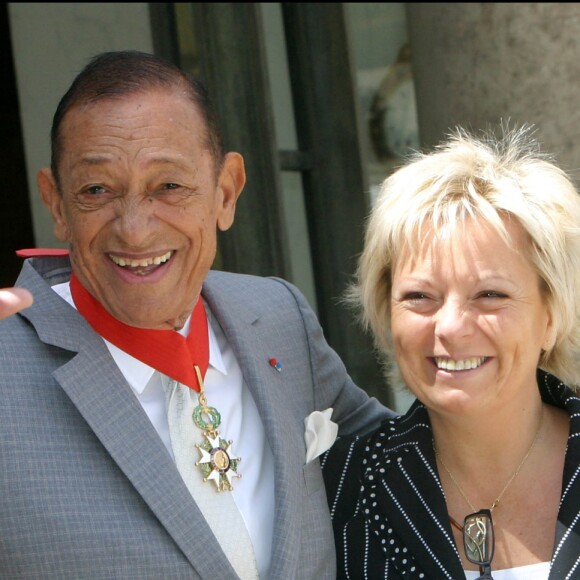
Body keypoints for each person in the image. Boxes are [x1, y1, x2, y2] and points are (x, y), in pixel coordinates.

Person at [0, 50, 393, 579]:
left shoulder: (278, 317)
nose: (135, 229)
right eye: (97, 190)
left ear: (226, 192)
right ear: (56, 205)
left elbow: (401, 457)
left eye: (168, 187)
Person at [322, 125, 580, 579]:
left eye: (490, 295)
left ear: (552, 314)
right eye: (420, 297)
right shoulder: (339, 489)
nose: (451, 327)